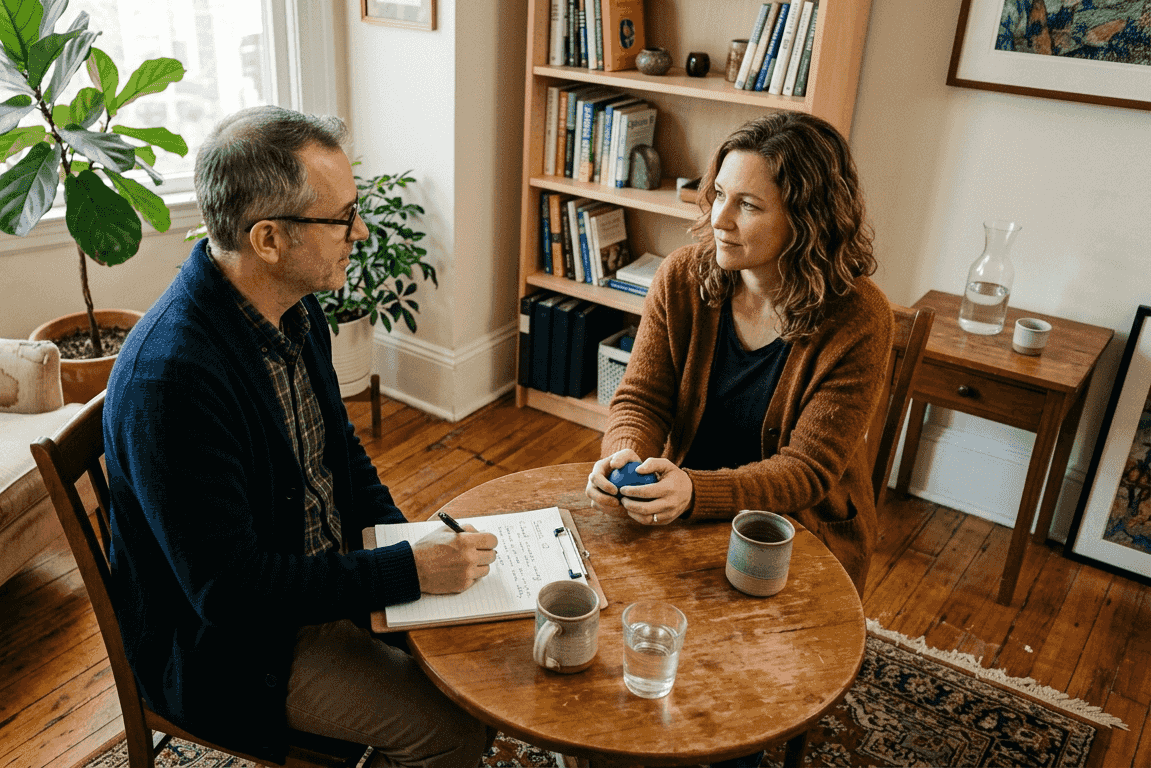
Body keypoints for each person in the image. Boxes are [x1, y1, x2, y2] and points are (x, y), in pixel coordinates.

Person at [102, 105, 496, 768]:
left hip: (319, 575)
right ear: (268, 240)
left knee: (487, 659)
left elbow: (339, 452)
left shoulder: (292, 306)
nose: (361, 231)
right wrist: (399, 572)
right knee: (457, 730)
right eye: (342, 217)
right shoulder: (173, 381)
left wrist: (411, 550)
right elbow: (229, 596)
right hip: (239, 651)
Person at [585, 110, 892, 593]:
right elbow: (641, 399)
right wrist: (624, 457)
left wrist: (695, 493)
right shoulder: (682, 276)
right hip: (684, 506)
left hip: (795, 533)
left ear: (808, 220)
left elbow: (806, 471)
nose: (719, 218)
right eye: (720, 195)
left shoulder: (859, 318)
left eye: (748, 205)